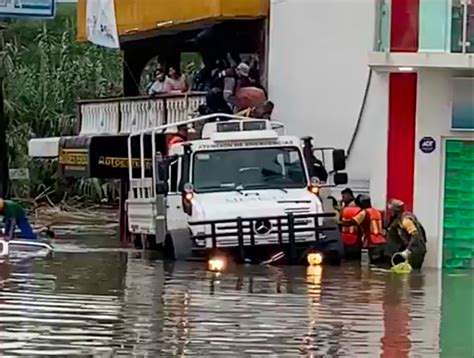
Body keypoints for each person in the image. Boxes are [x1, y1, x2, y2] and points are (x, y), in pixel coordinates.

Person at [385, 199, 427, 269]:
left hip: (416, 250)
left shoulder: (406, 221)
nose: (390, 212)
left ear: (396, 211)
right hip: (411, 249)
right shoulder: (397, 221)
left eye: (391, 210)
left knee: (413, 272)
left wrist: (408, 250)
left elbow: (415, 235)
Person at [343, 194, 386, 263]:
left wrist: (340, 223)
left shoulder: (365, 212)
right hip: (382, 242)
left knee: (373, 266)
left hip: (372, 242)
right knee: (380, 265)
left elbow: (353, 222)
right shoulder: (377, 212)